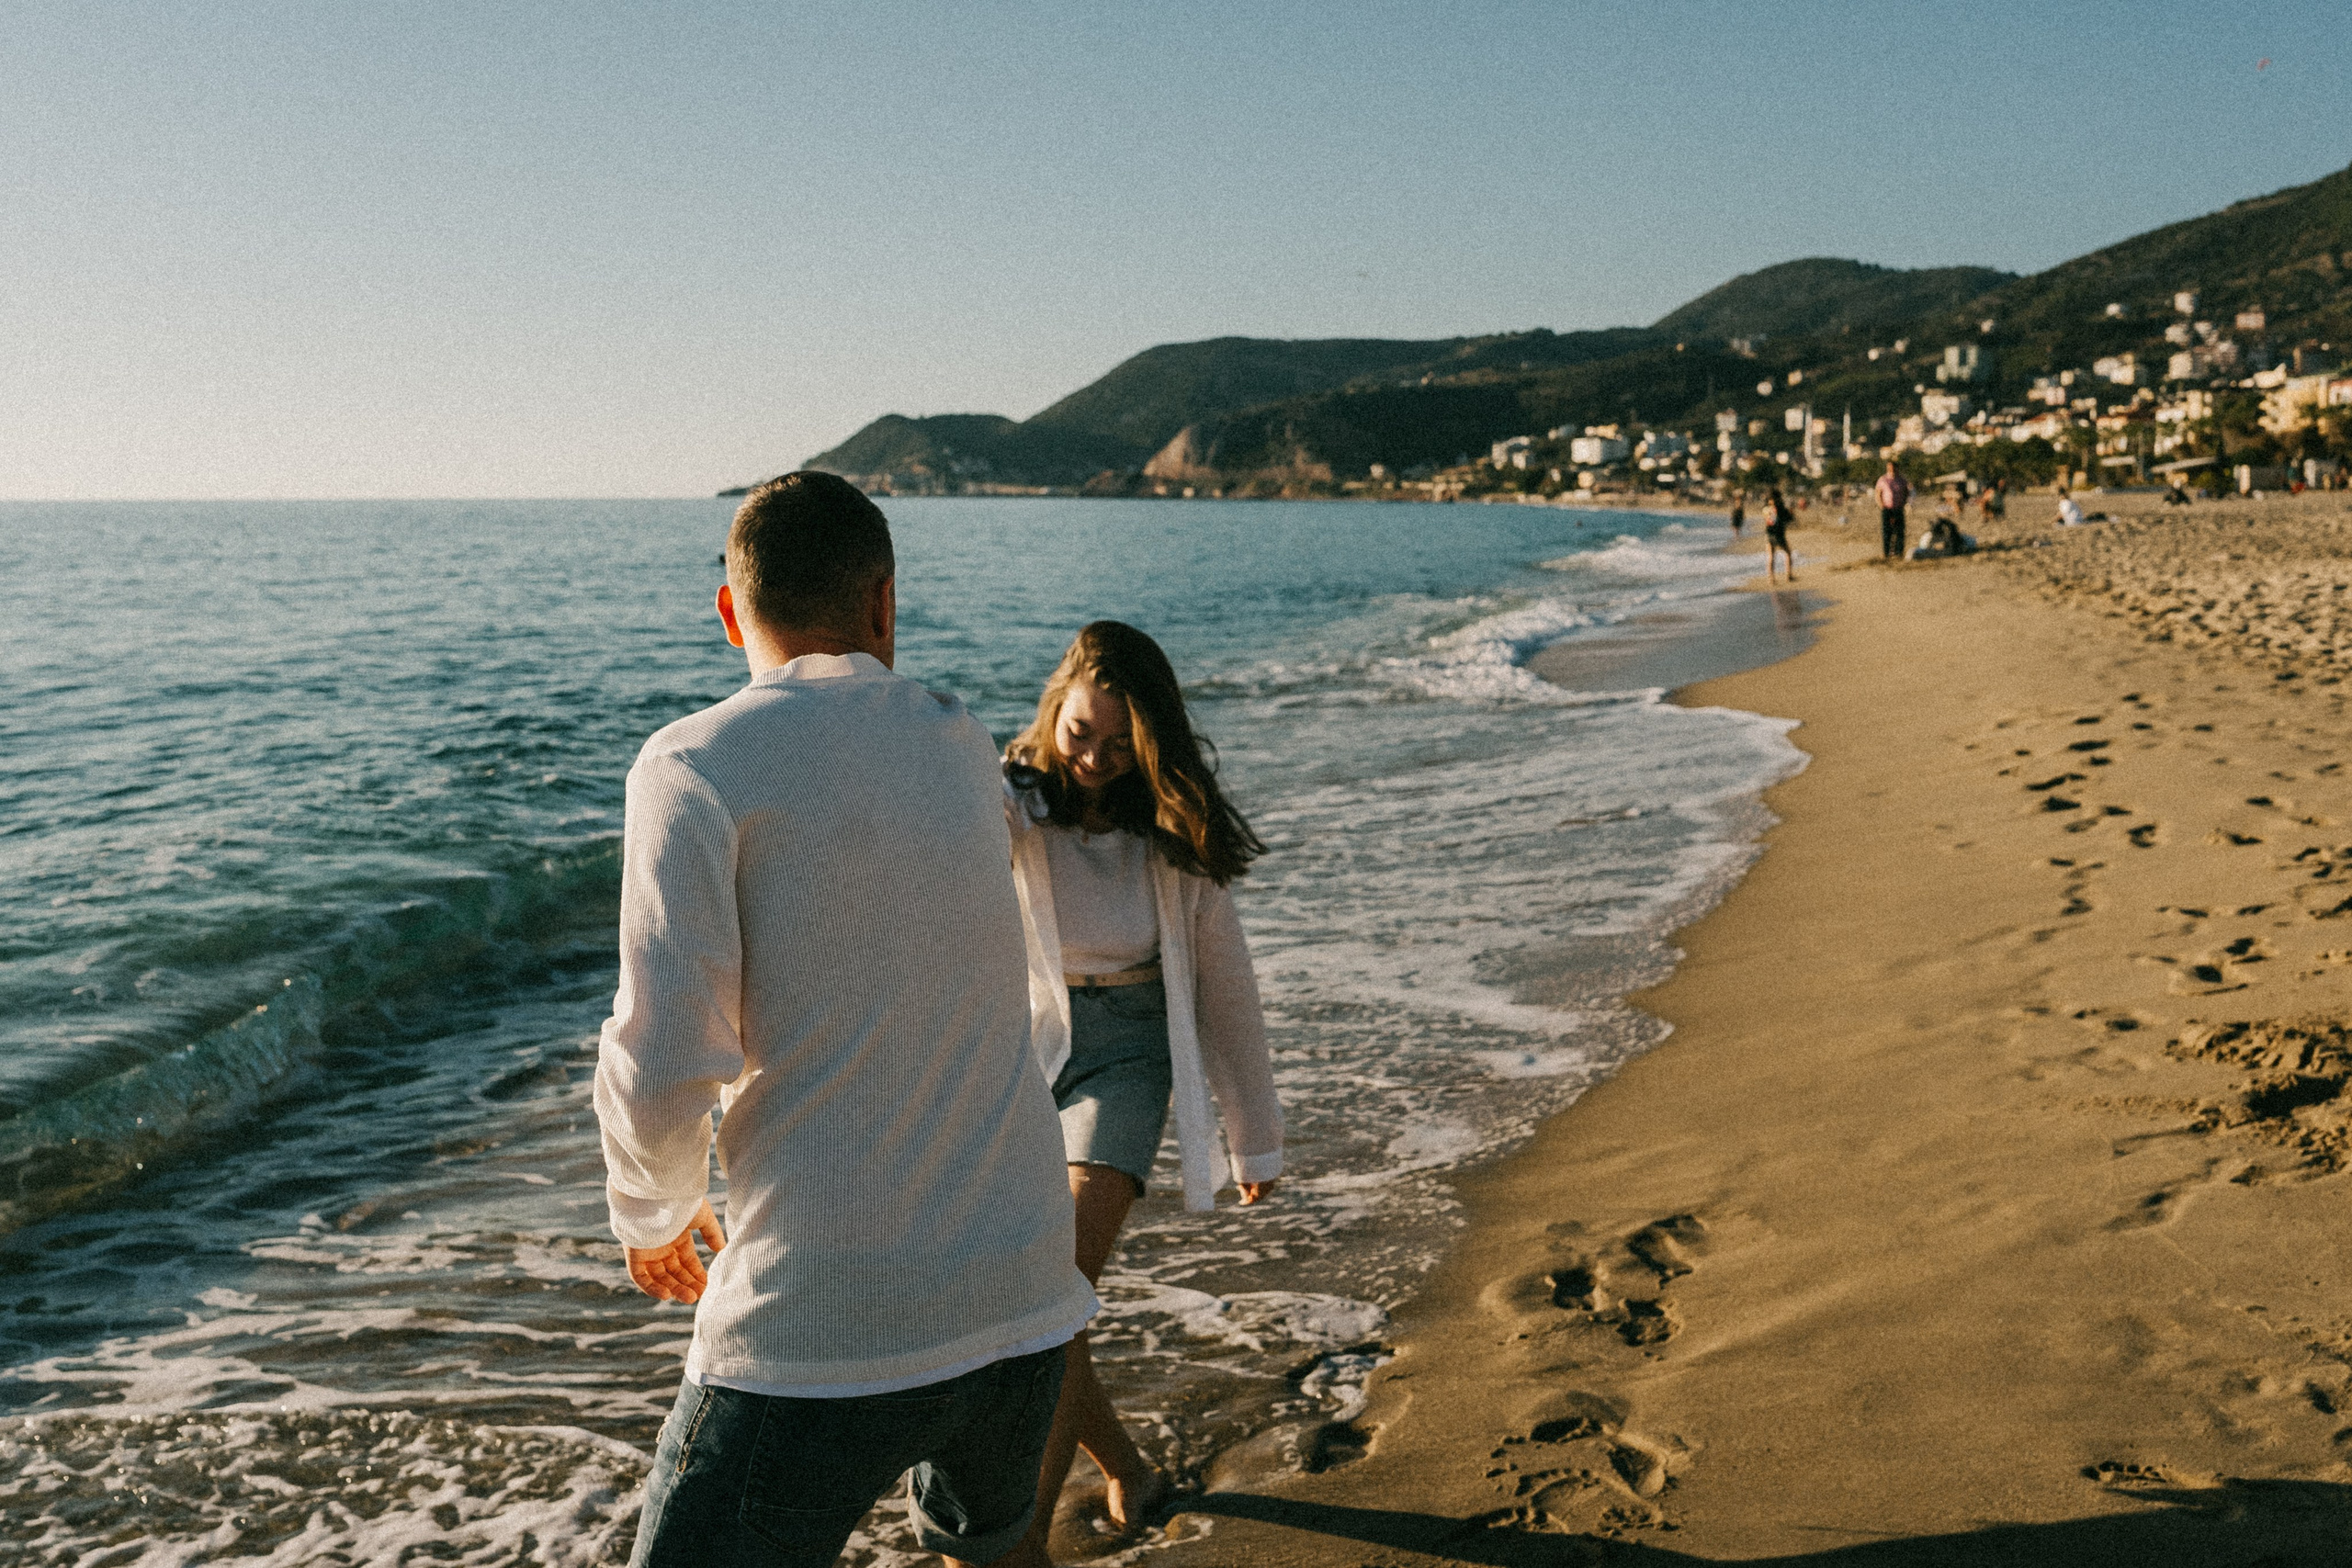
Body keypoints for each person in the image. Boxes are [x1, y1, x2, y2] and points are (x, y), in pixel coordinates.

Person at [598, 471, 1096, 1568]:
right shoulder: (959, 739)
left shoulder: (693, 762)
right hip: (1019, 1284)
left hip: (821, 1317)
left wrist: (651, 1213)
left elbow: (665, 1050)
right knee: (999, 1555)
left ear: (730, 612)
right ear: (884, 603)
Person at [1002, 621, 1283, 1550]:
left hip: (1127, 1054)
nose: (1094, 757)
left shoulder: (1169, 834)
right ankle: (1125, 1466)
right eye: (1081, 732)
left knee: (1051, 1287)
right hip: (1023, 1047)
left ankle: (1022, 1539)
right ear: (1055, 712)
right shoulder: (1008, 805)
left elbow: (1226, 990)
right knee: (1029, 1298)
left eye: (1121, 745)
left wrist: (1254, 1137)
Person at [1874, 460, 1911, 559]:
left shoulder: (1902, 480)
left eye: (1893, 467)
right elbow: (1878, 494)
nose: (1891, 470)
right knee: (1887, 532)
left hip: (1899, 508)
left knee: (1899, 531)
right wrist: (1882, 506)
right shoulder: (1883, 480)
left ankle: (1899, 553)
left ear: (1897, 468)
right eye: (1889, 468)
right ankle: (1886, 553)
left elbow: (1907, 493)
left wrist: (1904, 503)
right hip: (1887, 509)